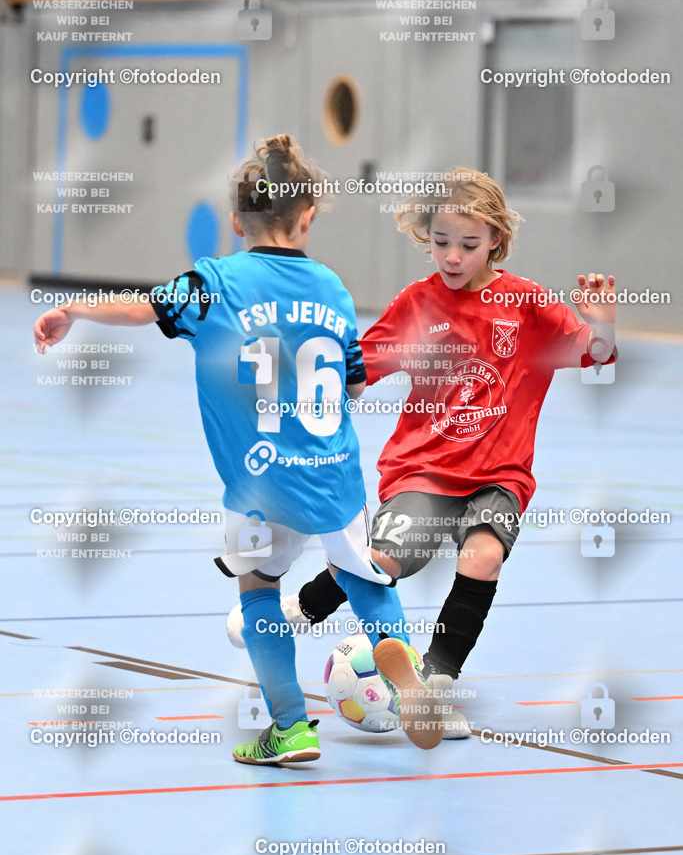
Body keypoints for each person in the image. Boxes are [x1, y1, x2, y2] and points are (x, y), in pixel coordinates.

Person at [33, 134, 444, 764]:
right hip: (334, 477)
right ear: (307, 218)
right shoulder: (332, 288)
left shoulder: (214, 283)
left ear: (235, 222)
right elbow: (356, 379)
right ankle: (400, 658)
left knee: (258, 584)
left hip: (258, 485)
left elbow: (143, 310)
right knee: (361, 573)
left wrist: (75, 310)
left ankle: (289, 727)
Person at [236, 166, 617, 736]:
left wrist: (603, 321)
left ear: (495, 240)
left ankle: (432, 688)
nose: (453, 256)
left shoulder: (528, 305)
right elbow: (356, 367)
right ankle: (305, 607)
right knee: (384, 560)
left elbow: (598, 352)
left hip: (499, 474)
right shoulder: (419, 304)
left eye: (468, 244)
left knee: (482, 556)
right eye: (441, 243)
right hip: (424, 469)